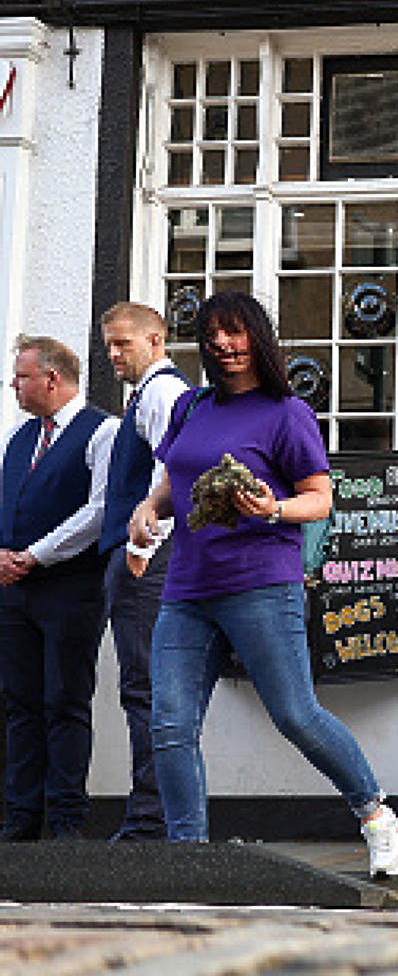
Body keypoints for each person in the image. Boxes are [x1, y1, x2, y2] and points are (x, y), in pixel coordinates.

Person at [127, 291, 398, 877]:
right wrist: (148, 508)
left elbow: (321, 499)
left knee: (296, 716)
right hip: (186, 588)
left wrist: (273, 509)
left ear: (257, 337)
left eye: (235, 333)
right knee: (169, 725)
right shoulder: (191, 407)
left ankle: (378, 815)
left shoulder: (286, 413)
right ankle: (189, 858)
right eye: (212, 336)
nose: (223, 346)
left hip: (260, 583)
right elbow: (175, 475)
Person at [0, 337, 117, 841]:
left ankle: (66, 820)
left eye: (22, 377)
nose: (14, 385)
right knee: (19, 703)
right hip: (13, 593)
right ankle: (21, 817)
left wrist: (34, 555)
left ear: (52, 378)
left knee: (66, 701)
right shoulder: (17, 438)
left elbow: (99, 512)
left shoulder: (103, 432)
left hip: (71, 589)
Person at [97, 302, 194, 841]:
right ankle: (155, 816)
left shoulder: (161, 391)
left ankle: (151, 821)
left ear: (156, 341)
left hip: (147, 561)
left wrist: (142, 548)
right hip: (141, 558)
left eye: (122, 344)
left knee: (147, 690)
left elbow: (172, 471)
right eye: (109, 344)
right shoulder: (148, 392)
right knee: (148, 689)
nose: (113, 354)